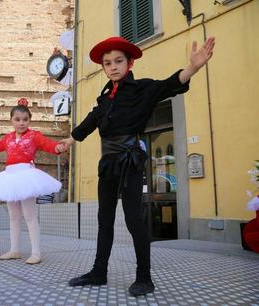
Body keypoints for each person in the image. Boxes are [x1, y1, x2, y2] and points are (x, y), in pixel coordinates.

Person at [58, 36, 215, 296]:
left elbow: (169, 86)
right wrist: (71, 139)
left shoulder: (142, 89)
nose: (113, 66)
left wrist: (192, 68)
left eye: (118, 61)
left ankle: (144, 278)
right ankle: (99, 272)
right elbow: (91, 121)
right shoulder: (105, 97)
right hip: (108, 163)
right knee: (104, 219)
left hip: (130, 160)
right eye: (107, 63)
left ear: (129, 63)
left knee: (134, 219)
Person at [0, 98, 64, 264]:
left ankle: (36, 252)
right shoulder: (7, 138)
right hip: (10, 177)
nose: (21, 123)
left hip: (26, 175)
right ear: (11, 120)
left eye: (25, 119)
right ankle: (15, 250)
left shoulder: (34, 135)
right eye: (17, 119)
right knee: (14, 216)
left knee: (30, 215)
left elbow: (48, 144)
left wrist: (57, 147)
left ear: (29, 120)